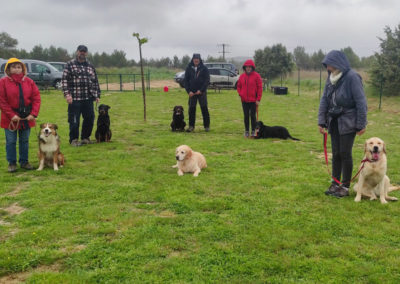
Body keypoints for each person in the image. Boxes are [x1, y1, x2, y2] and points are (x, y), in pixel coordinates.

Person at [318, 50, 367, 198]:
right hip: (334, 121)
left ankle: (345, 187)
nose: (327, 68)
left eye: (329, 64)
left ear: (338, 63)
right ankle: (335, 183)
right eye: (326, 65)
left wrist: (361, 124)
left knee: (345, 153)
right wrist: (321, 120)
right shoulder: (331, 78)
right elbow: (324, 100)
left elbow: (361, 101)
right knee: (336, 153)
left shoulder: (352, 77)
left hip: (348, 121)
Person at [0, 58, 41, 172]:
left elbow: (36, 98)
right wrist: (11, 115)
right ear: (8, 69)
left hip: (27, 117)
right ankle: (12, 163)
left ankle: (24, 161)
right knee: (11, 141)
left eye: (19, 67)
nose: (17, 69)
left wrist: (33, 113)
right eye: (14, 67)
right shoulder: (3, 82)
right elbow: (1, 101)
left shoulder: (29, 82)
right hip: (10, 119)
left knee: (24, 140)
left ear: (23, 69)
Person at [62, 45, 100, 146]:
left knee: (89, 119)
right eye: (80, 51)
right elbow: (65, 80)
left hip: (88, 98)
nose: (82, 53)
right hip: (74, 99)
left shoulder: (90, 66)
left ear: (86, 53)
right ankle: (73, 140)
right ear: (77, 52)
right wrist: (67, 95)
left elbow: (95, 81)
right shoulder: (70, 64)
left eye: (84, 51)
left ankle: (85, 138)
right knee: (74, 121)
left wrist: (97, 95)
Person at [184, 53, 210, 132]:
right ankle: (191, 126)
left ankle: (206, 126)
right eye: (195, 59)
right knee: (191, 110)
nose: (196, 60)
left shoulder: (204, 68)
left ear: (199, 59)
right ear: (192, 59)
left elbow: (207, 80)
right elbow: (186, 81)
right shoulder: (188, 68)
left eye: (197, 59)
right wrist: (189, 91)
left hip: (201, 92)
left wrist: (201, 90)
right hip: (192, 92)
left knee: (204, 109)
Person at [236, 59, 263, 137]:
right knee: (246, 115)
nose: (248, 68)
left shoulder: (257, 76)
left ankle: (253, 131)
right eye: (247, 67)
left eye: (249, 67)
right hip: (244, 100)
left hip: (253, 101)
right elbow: (239, 86)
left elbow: (260, 88)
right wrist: (241, 94)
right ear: (244, 68)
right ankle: (247, 130)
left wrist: (258, 99)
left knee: (253, 116)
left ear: (252, 67)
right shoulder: (242, 76)